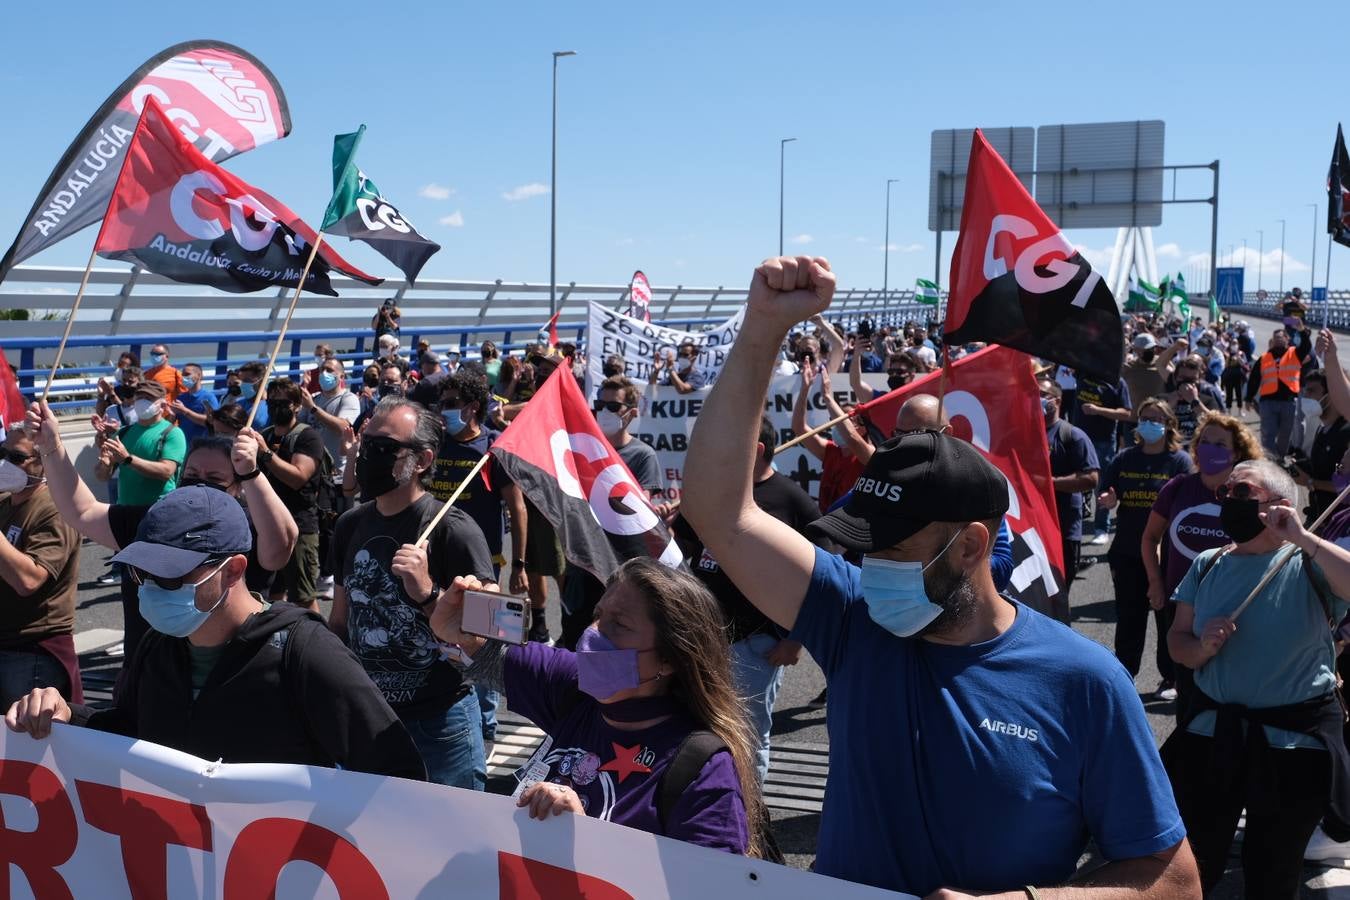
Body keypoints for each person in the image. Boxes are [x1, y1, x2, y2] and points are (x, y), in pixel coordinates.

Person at [681, 255, 1198, 897]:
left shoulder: (1084, 684)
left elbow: (1173, 880)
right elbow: (717, 508)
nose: (869, 570)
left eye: (893, 550)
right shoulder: (850, 619)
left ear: (971, 547)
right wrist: (763, 327)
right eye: (861, 550)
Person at [5, 486, 425, 780]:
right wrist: (68, 715)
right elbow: (134, 734)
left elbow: (396, 776)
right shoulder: (157, 647)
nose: (148, 588)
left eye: (169, 575)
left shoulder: (306, 653)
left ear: (234, 571)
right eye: (140, 573)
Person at [429, 559, 762, 855]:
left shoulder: (702, 768)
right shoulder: (573, 687)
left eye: (619, 624)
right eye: (598, 615)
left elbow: (715, 886)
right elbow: (483, 656)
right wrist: (453, 628)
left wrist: (590, 839)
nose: (592, 634)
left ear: (670, 658)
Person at [1164, 459, 1350, 896]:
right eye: (1224, 492)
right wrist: (1201, 648)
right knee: (1195, 864)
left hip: (1292, 748)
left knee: (1273, 869)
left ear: (1280, 505)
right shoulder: (1207, 563)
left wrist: (1302, 537)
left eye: (1241, 492)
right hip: (1212, 739)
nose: (1228, 500)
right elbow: (1177, 641)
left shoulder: (1308, 561)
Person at [27, 398, 300, 655]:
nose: (200, 484)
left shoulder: (246, 529)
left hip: (230, 672)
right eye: (191, 475)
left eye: (215, 478)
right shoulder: (154, 522)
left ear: (238, 487)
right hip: (152, 670)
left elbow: (281, 545)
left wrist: (252, 473)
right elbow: (83, 511)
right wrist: (51, 446)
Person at [329, 396, 497, 788]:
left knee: (453, 837)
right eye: (366, 442)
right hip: (370, 717)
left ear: (421, 460)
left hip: (440, 723)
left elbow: (492, 637)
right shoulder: (350, 526)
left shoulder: (454, 529)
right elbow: (340, 621)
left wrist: (427, 593)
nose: (368, 454)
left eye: (384, 448)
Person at [673, 416, 818, 784]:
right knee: (702, 726)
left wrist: (795, 637)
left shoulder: (792, 501)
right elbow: (682, 547)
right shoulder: (716, 492)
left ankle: (748, 824)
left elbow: (819, 577)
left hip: (757, 644)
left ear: (755, 450)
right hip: (704, 638)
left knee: (749, 735)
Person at [431, 369, 531, 748]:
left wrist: (519, 564)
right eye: (441, 404)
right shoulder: (436, 445)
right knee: (445, 643)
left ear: (473, 407)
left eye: (451, 404)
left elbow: (517, 508)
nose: (444, 411)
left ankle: (488, 727)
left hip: (485, 566)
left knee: (488, 644)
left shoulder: (492, 450)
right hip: (439, 563)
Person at [1143, 413, 1262, 708]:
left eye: (1220, 444)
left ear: (1237, 452)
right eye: (1205, 442)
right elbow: (1150, 538)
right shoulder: (1178, 488)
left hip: (1232, 606)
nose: (1210, 448)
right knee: (1187, 689)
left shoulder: (1251, 495)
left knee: (1228, 690)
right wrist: (1156, 582)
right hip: (1181, 602)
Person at [559, 377, 664, 650]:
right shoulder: (581, 449)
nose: (604, 411)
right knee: (574, 641)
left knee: (610, 646)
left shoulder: (642, 456)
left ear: (631, 412)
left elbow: (637, 516)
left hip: (618, 569)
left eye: (613, 406)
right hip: (581, 565)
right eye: (600, 404)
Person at [1095, 399, 1192, 685]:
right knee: (1129, 618)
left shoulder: (1179, 462)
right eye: (1144, 417)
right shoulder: (1124, 458)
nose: (1149, 423)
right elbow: (1106, 493)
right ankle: (1124, 676)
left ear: (1169, 424)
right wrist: (1108, 501)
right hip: (1127, 551)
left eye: (1155, 418)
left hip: (1168, 556)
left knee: (1168, 619)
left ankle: (1170, 678)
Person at [0, 426, 82, 710]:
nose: (5, 463)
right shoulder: (5, 501)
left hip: (32, 649)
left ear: (42, 462)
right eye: (2, 453)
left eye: (16, 457)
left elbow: (29, 580)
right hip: (8, 642)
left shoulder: (55, 509)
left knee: (28, 741)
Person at [258, 379, 326, 611]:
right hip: (268, 525)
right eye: (272, 403)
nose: (276, 408)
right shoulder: (265, 435)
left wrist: (266, 454)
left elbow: (298, 477)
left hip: (298, 525)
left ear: (297, 405)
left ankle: (317, 641)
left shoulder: (308, 437)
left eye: (283, 403)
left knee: (303, 596)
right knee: (271, 594)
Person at [299, 356, 361, 599]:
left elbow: (343, 426)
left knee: (336, 527)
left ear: (340, 376)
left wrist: (314, 409)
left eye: (330, 370)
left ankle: (335, 574)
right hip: (315, 474)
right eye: (322, 369)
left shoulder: (348, 399)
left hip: (337, 474)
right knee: (319, 526)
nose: (324, 373)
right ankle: (322, 571)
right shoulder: (313, 399)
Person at [1040, 380, 1099, 623]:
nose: (1038, 399)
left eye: (1044, 394)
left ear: (1057, 400)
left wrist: (1048, 483)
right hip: (1035, 528)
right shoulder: (1023, 432)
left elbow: (1091, 478)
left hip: (1064, 526)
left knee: (1059, 592)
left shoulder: (1072, 435)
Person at [94, 381, 185, 506]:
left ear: (162, 405)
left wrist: (128, 459)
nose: (142, 402)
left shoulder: (172, 433)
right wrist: (106, 466)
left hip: (158, 510)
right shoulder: (124, 432)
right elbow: (101, 477)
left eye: (148, 398)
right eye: (139, 398)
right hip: (125, 510)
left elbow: (166, 471)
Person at [791, 363, 867, 513]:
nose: (838, 424)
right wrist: (805, 388)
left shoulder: (867, 456)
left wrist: (827, 396)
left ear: (863, 429)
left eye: (845, 420)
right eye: (836, 420)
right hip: (826, 523)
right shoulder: (830, 451)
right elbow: (799, 428)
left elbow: (851, 437)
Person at [1073, 372, 1133, 545]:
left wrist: (1098, 410)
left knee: (1103, 485)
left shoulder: (1117, 382)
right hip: (1078, 438)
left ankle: (1101, 528)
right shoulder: (1081, 374)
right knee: (1074, 483)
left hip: (1103, 441)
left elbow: (1126, 413)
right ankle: (1072, 528)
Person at [1247, 325, 1313, 456]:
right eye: (1275, 337)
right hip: (1268, 402)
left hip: (1288, 402)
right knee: (1268, 433)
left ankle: (1280, 458)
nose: (1278, 339)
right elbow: (1254, 379)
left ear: (1287, 339)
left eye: (1280, 337)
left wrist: (1301, 331)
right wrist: (1249, 398)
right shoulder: (1264, 357)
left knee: (1285, 434)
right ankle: (1269, 460)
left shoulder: (1295, 354)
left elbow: (1306, 346)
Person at [1295, 370, 1350, 524]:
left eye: (1312, 390)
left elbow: (1346, 486)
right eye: (1305, 390)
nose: (1306, 396)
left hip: (1337, 522)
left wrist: (1311, 482)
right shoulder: (1321, 428)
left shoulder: (1346, 432)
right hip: (1317, 515)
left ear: (1332, 394)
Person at [1163, 355, 1225, 442]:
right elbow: (1153, 423)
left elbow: (1219, 425)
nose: (1187, 382)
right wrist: (1169, 405)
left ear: (1199, 380)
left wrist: (1195, 401)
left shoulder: (1208, 400)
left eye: (1192, 379)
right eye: (1183, 378)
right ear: (1175, 378)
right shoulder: (1162, 399)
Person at [169, 362, 220, 446]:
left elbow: (210, 421)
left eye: (187, 374)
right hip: (184, 445)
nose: (184, 378)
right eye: (183, 375)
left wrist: (184, 410)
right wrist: (171, 414)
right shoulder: (181, 398)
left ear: (199, 376)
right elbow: (171, 423)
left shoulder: (208, 397)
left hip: (202, 446)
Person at [233, 361, 270, 429]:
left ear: (261, 381)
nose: (242, 384)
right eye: (241, 381)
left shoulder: (272, 406)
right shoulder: (237, 405)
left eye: (246, 380)